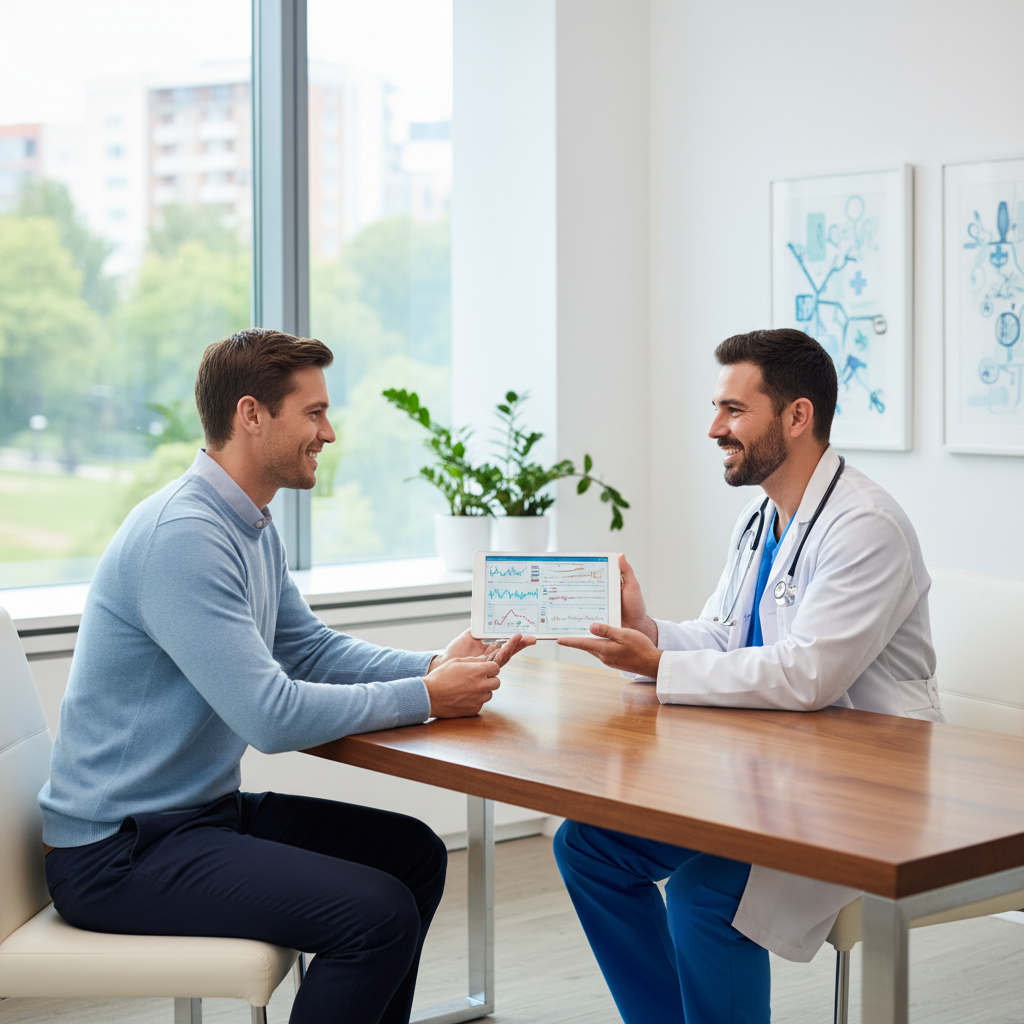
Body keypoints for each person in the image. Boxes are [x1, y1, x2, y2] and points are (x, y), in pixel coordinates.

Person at [38, 328, 534, 1024]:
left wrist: (434, 667)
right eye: (315, 412)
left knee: (413, 855)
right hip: (119, 854)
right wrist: (426, 697)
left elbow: (308, 650)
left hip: (194, 818)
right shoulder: (184, 535)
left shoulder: (247, 523)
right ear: (251, 414)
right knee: (376, 916)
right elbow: (269, 717)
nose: (328, 433)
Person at [552, 328, 941, 1024]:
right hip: (772, 777)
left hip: (862, 792)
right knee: (589, 846)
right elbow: (726, 636)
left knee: (706, 898)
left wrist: (663, 666)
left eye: (733, 410)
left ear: (797, 416)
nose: (714, 428)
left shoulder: (866, 526)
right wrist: (648, 636)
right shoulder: (762, 520)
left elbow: (809, 676)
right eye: (716, 409)